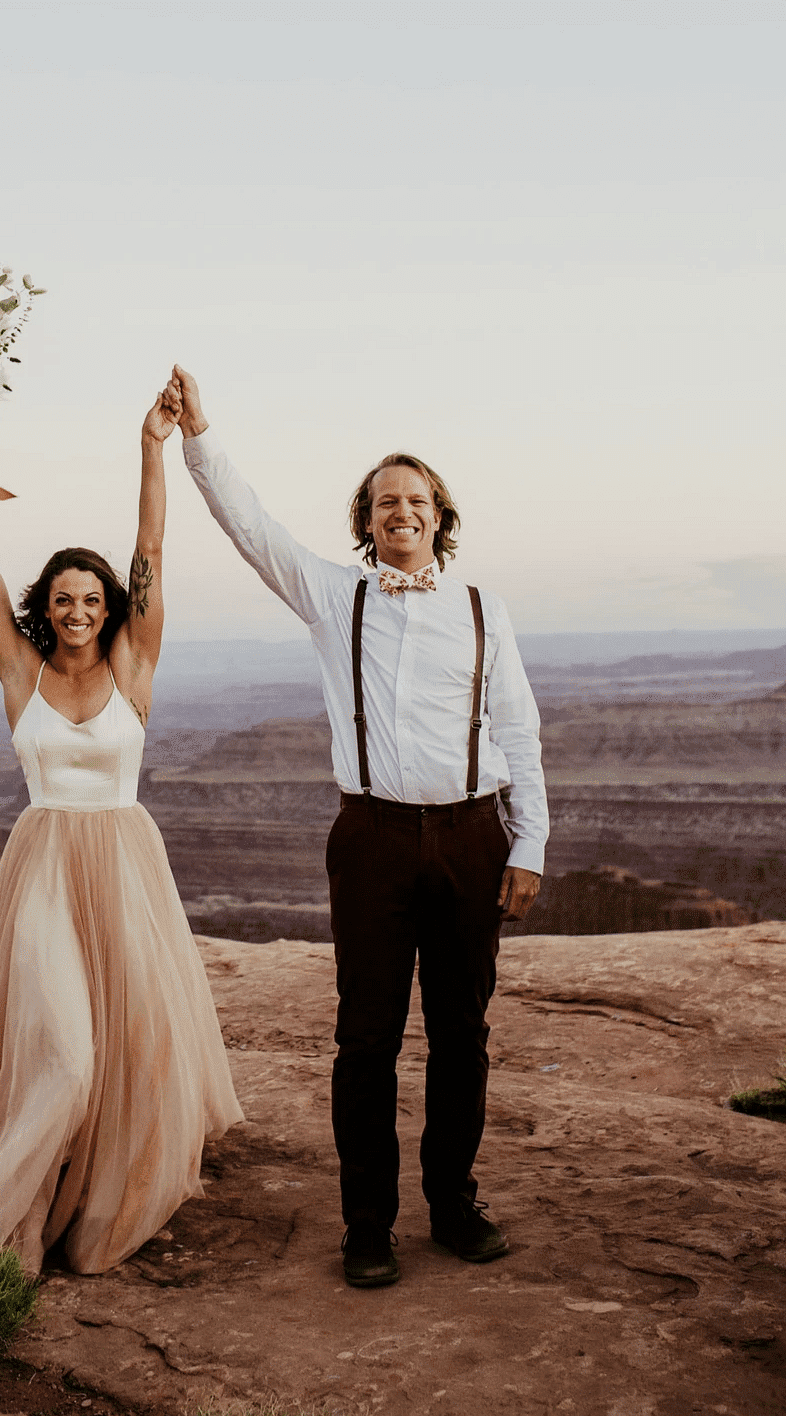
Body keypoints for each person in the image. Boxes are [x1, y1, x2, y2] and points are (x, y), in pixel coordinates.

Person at [169, 366, 546, 1289]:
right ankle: (366, 1228)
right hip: (371, 840)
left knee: (461, 1036)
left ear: (438, 517)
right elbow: (248, 525)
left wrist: (528, 842)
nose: (401, 513)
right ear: (365, 517)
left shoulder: (481, 608)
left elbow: (519, 727)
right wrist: (200, 433)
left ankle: (452, 1207)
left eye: (416, 501)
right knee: (365, 1039)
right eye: (385, 501)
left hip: (468, 834)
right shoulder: (332, 597)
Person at [0, 384, 244, 1275]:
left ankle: (91, 1190)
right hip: (43, 866)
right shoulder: (18, 671)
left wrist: (152, 444)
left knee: (128, 1048)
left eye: (90, 599)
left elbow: (150, 549)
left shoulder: (134, 663)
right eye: (61, 600)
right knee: (66, 1055)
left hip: (124, 865)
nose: (76, 611)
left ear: (107, 606)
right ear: (43, 607)